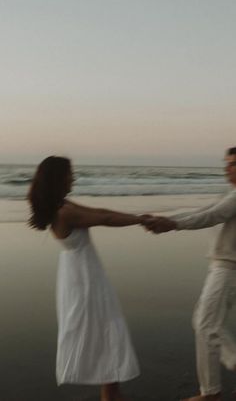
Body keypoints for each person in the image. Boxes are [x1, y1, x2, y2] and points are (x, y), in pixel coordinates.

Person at [28, 156, 150, 401]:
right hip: (84, 278)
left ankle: (112, 393)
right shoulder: (65, 212)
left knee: (103, 332)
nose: (73, 177)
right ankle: (112, 394)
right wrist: (140, 220)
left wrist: (139, 217)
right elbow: (104, 218)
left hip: (78, 274)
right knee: (103, 330)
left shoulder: (61, 206)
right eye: (69, 173)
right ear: (58, 178)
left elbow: (99, 212)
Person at [143, 147, 236, 401]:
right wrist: (167, 219)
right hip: (221, 267)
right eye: (227, 163)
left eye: (234, 164)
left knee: (206, 325)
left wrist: (172, 224)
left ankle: (210, 394)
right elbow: (200, 211)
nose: (227, 168)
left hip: (228, 271)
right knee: (204, 322)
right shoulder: (231, 194)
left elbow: (211, 216)